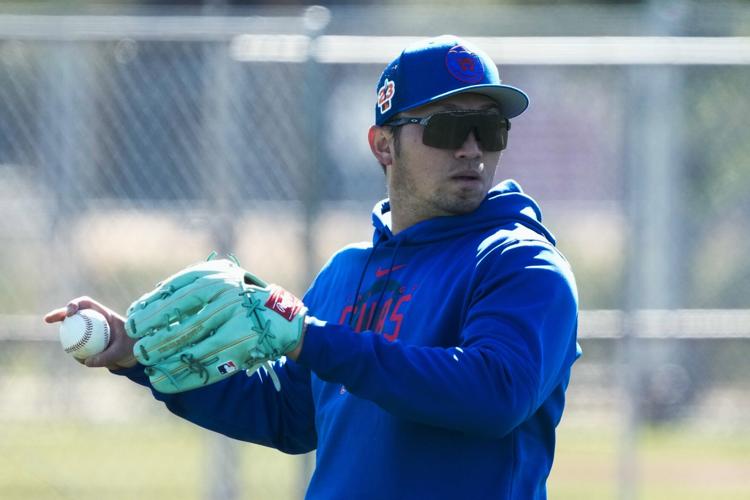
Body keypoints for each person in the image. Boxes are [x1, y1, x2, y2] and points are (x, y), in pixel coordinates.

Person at [45, 35, 581, 499]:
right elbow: (290, 414)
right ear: (383, 145)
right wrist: (134, 357)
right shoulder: (347, 272)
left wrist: (311, 338)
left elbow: (495, 394)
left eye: (489, 130)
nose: (471, 149)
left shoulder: (521, 264)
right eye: (446, 128)